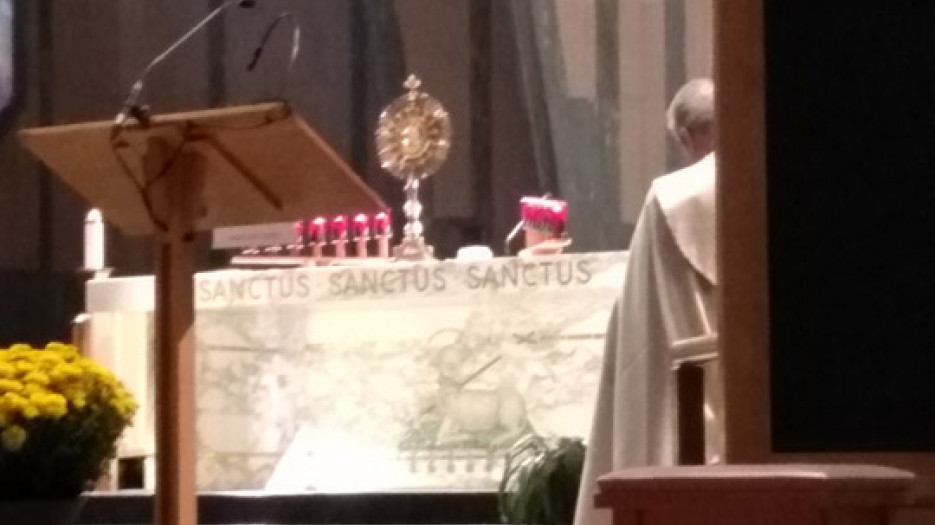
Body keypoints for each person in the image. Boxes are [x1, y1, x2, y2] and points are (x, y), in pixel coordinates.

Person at [573, 78, 720, 525]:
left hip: (689, 410)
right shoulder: (770, 182)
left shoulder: (671, 198)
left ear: (685, 137)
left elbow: (637, 322)